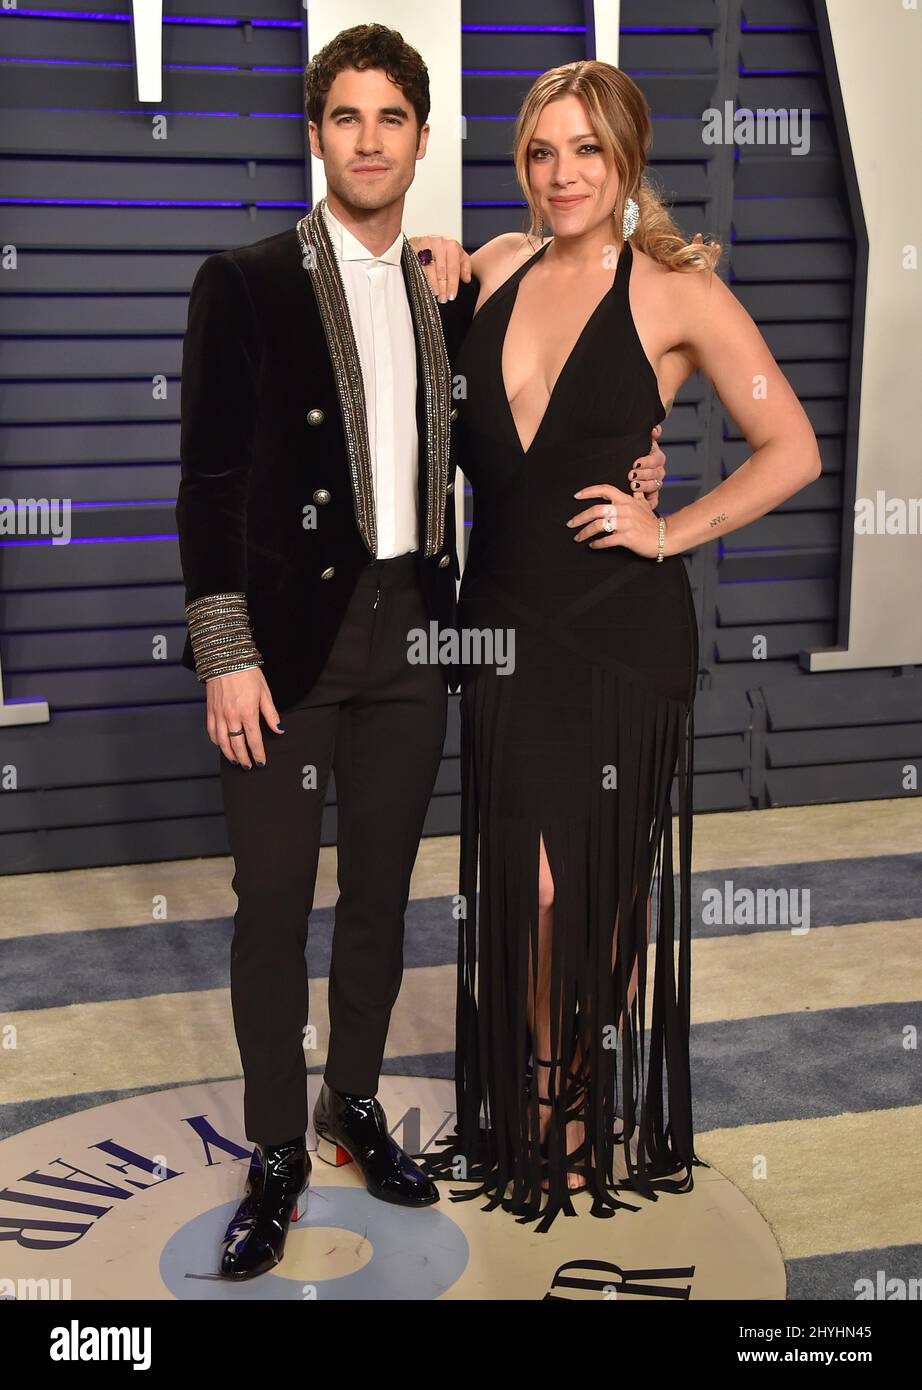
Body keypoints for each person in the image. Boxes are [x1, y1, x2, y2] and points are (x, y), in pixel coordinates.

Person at [175, 28, 668, 1278]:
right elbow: (210, 483)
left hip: (417, 635)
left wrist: (640, 468)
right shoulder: (241, 281)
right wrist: (225, 651)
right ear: (316, 133)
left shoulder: (455, 285)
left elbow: (549, 417)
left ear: (421, 137)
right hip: (283, 654)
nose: (369, 140)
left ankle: (351, 1105)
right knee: (275, 901)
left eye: (391, 118)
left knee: (384, 897)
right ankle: (278, 1147)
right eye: (346, 118)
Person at [412, 59, 822, 1233]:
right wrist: (437, 259)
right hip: (503, 628)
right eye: (540, 152)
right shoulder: (492, 269)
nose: (561, 173)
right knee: (523, 887)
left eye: (585, 149)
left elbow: (789, 445)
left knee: (583, 891)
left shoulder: (675, 292)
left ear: (626, 157)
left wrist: (669, 528)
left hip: (618, 634)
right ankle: (537, 1103)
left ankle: (577, 1110)